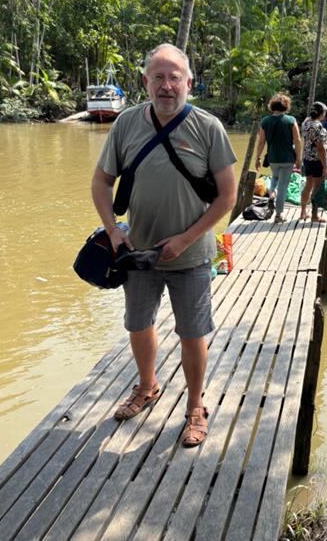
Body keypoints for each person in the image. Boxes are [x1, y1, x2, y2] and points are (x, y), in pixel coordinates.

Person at [91, 44, 237, 448]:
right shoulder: (125, 124)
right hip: (137, 253)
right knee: (138, 324)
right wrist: (113, 231)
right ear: (145, 82)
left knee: (192, 332)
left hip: (190, 255)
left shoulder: (208, 128)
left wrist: (186, 238)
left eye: (175, 78)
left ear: (189, 83)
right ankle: (147, 386)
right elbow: (101, 182)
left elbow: (228, 197)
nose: (167, 86)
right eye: (158, 77)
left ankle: (194, 406)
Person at [255, 93, 302, 224]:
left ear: (272, 106)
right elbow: (297, 140)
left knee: (275, 178)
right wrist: (299, 157)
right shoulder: (291, 120)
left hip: (272, 158)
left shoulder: (265, 121)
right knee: (283, 186)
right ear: (286, 106)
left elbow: (261, 142)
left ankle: (271, 194)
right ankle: (279, 215)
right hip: (287, 158)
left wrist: (257, 158)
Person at [300, 101, 327, 223]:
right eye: (325, 112)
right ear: (321, 113)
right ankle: (314, 215)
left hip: (307, 158)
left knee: (308, 185)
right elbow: (320, 147)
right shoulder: (317, 126)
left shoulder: (306, 123)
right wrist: (325, 166)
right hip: (317, 160)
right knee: (316, 188)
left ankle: (303, 211)